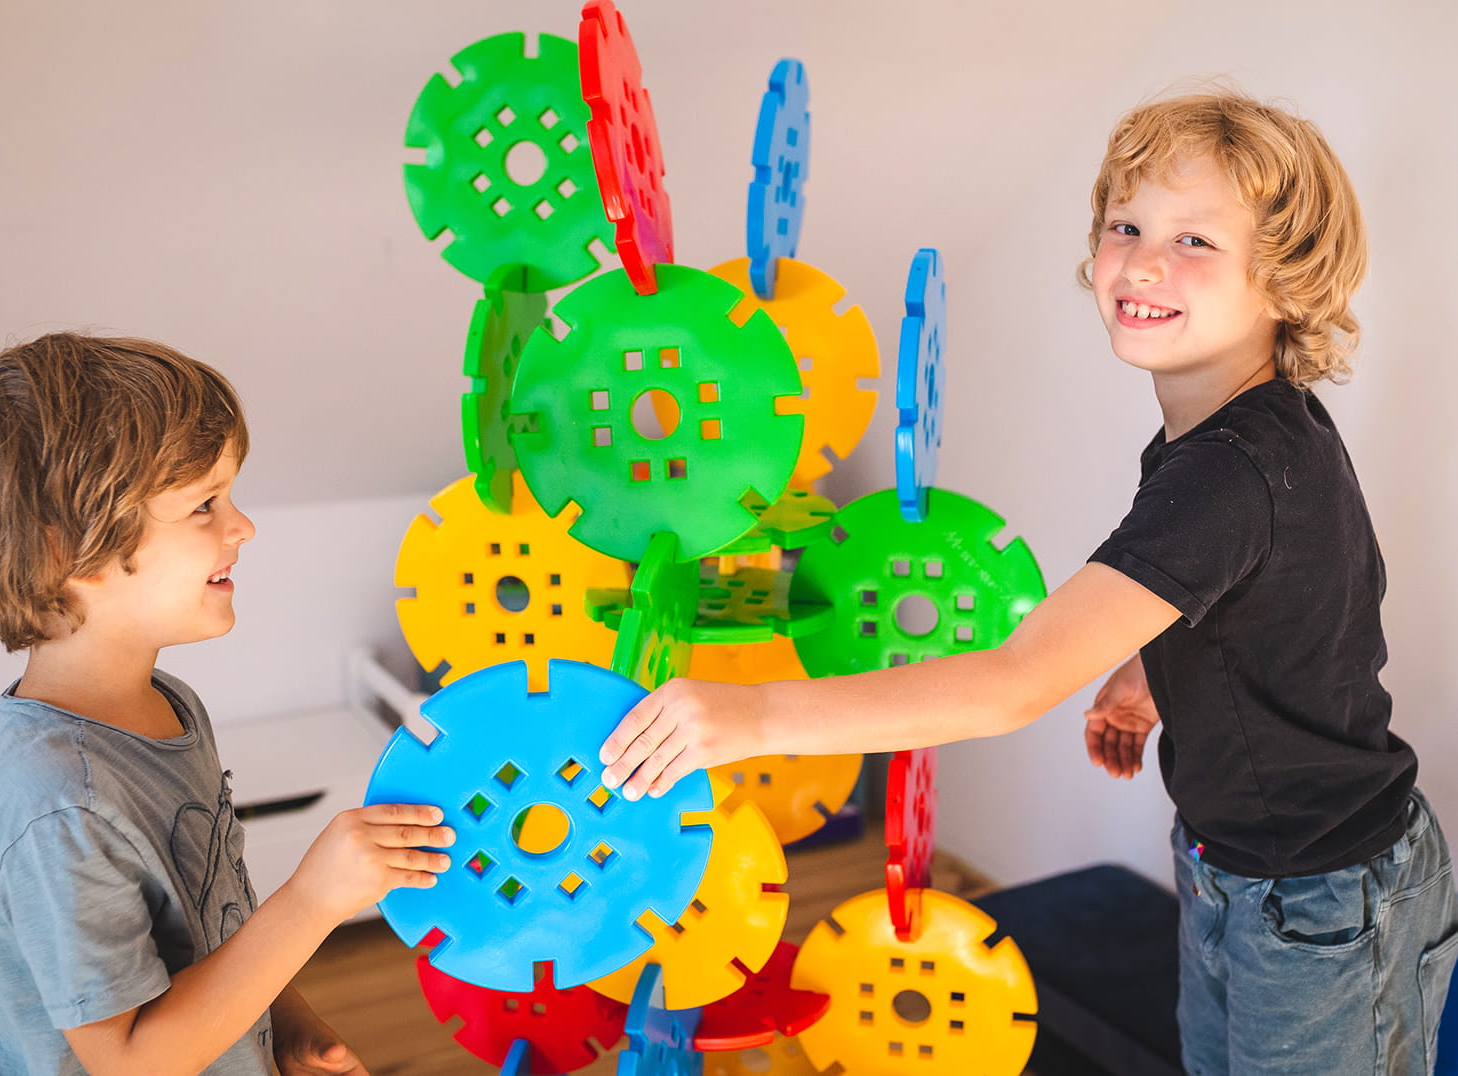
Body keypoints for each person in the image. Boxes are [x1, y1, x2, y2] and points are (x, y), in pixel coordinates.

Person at [598, 91, 1458, 1074]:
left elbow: (1013, 683)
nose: (1142, 262)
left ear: (1288, 277)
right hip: (1236, 863)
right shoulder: (1239, 433)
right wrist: (1153, 667)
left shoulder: (1231, 471)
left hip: (1325, 897)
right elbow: (1300, 591)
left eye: (1194, 240)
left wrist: (749, 718)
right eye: (1126, 226)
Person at [0, 333, 456, 1075]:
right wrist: (312, 902)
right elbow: (130, 1060)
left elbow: (211, 917)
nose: (243, 526)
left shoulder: (168, 704)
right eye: (204, 505)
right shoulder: (57, 804)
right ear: (66, 551)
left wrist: (287, 1022)